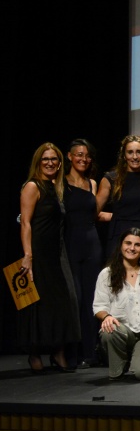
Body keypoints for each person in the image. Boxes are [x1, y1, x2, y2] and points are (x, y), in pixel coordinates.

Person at [18, 143, 79, 374]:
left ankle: (58, 351)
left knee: (59, 303)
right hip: (37, 253)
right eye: (45, 159)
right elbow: (25, 223)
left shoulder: (56, 187)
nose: (50, 163)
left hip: (56, 254)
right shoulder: (32, 186)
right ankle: (34, 353)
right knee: (37, 304)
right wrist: (27, 256)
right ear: (38, 162)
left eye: (54, 159)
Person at [93, 228, 140, 381]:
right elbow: (99, 306)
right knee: (108, 330)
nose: (132, 248)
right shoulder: (107, 274)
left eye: (137, 245)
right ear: (121, 245)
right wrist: (106, 317)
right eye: (128, 243)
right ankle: (118, 366)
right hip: (123, 330)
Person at [64, 138, 103, 368]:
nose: (83, 159)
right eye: (79, 154)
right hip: (70, 243)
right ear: (69, 156)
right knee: (74, 299)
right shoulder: (60, 183)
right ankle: (72, 354)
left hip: (92, 244)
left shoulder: (92, 183)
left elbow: (95, 215)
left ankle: (90, 353)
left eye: (87, 156)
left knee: (91, 299)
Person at [96, 134, 140, 256]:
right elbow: (93, 212)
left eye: (139, 152)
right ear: (124, 156)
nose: (135, 156)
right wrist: (113, 216)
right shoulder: (111, 178)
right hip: (120, 234)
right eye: (130, 152)